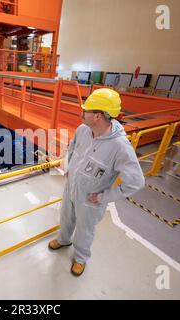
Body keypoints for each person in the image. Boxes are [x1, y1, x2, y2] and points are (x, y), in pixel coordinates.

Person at [48, 88, 145, 276]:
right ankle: (64, 239)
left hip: (91, 198)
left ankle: (81, 258)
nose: (81, 113)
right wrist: (68, 166)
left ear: (98, 116)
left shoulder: (120, 147)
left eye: (86, 110)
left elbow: (136, 182)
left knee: (85, 229)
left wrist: (106, 196)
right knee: (66, 217)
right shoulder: (83, 130)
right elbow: (72, 147)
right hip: (71, 188)